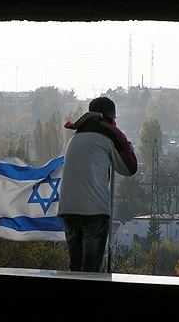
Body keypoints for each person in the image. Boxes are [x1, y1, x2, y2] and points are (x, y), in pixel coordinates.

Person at [58, 96, 138, 272]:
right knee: (91, 271)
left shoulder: (76, 135)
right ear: (110, 117)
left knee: (75, 268)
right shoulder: (109, 134)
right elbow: (129, 168)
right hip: (93, 210)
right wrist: (128, 147)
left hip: (68, 209)